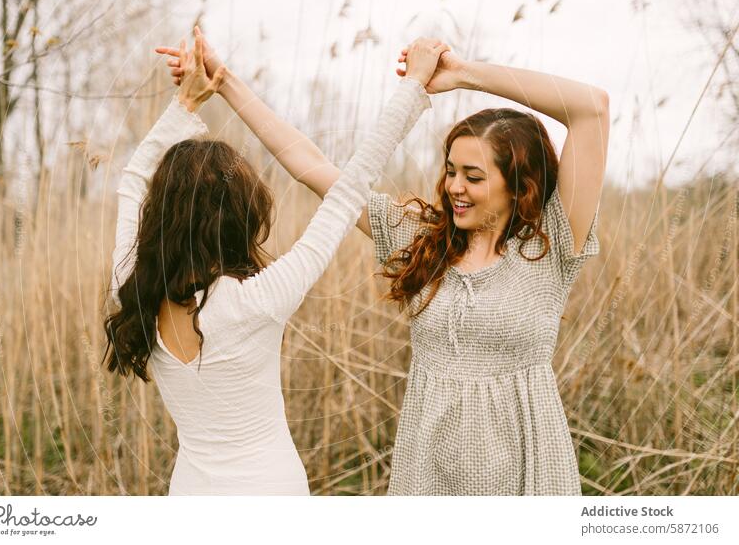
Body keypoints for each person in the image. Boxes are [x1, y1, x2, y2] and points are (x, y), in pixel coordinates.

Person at [159, 36, 609, 495]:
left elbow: (591, 108)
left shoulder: (549, 246)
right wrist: (226, 82)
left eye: (474, 177)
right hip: (427, 475)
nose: (454, 186)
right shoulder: (423, 238)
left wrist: (463, 75)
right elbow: (308, 165)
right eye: (451, 170)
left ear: (520, 185)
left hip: (528, 476)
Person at [104, 27, 446, 495]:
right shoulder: (259, 300)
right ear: (240, 219)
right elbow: (349, 191)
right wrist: (413, 88)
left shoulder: (131, 287)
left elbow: (131, 179)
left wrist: (185, 104)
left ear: (159, 213)